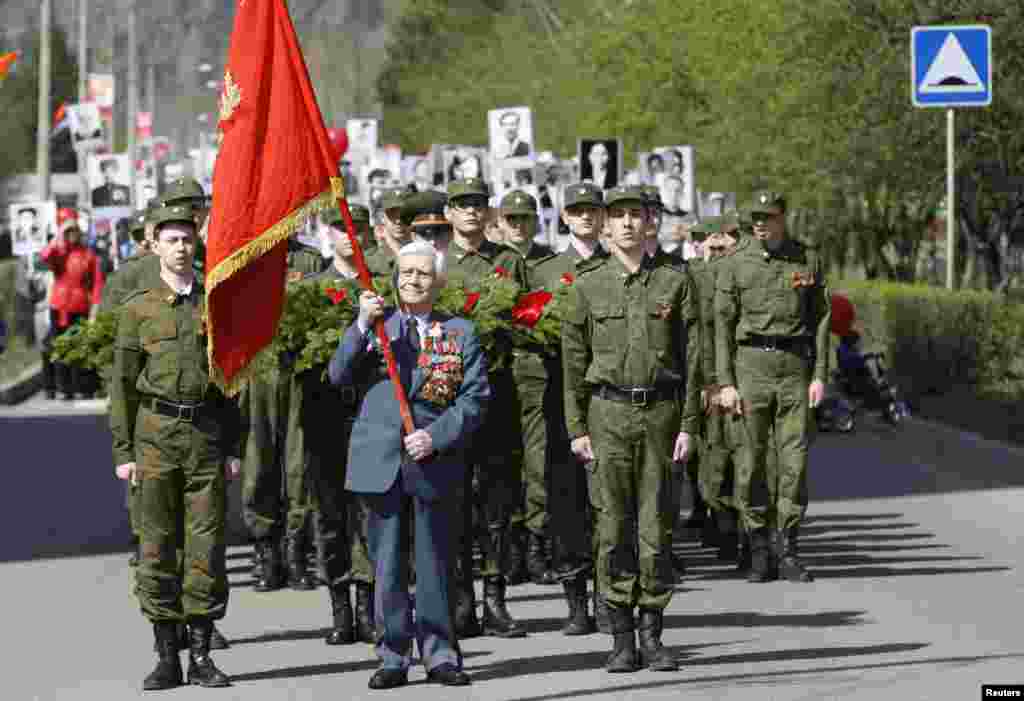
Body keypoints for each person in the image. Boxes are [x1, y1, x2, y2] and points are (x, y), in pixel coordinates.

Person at [329, 240, 488, 690]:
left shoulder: (459, 332)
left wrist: (434, 436)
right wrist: (362, 323)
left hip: (432, 460)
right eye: (405, 272)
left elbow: (475, 399)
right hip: (379, 458)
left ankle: (440, 654)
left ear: (437, 281)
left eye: (422, 273)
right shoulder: (377, 327)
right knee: (387, 565)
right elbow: (337, 374)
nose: (413, 280)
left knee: (436, 561)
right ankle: (393, 654)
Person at [562, 184, 700, 673]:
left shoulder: (675, 283)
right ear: (603, 223)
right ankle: (621, 637)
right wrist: (577, 427)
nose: (625, 224)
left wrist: (689, 424)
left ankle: (654, 633)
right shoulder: (586, 284)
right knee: (612, 527)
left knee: (657, 526)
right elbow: (572, 364)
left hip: (662, 415)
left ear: (649, 223)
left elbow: (693, 359)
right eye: (616, 215)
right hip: (607, 416)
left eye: (634, 215)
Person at [108, 202, 241, 690]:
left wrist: (232, 445)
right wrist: (123, 452)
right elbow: (121, 386)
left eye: (187, 238)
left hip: (205, 436)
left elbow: (231, 379)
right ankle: (167, 654)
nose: (181, 247)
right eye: (172, 239)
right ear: (154, 245)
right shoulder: (138, 308)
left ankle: (202, 654)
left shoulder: (215, 300)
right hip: (155, 438)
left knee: (207, 546)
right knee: (157, 544)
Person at [715, 191, 830, 584]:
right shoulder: (734, 263)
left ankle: (788, 549)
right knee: (749, 465)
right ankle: (759, 548)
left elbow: (821, 320)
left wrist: (820, 375)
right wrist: (725, 383)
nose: (761, 223)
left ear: (784, 217)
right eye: (756, 217)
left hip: (794, 368)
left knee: (793, 465)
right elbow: (722, 327)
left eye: (769, 216)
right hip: (750, 367)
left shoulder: (807, 259)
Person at [443, 176, 528, 639]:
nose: (471, 212)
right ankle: (461, 603)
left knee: (498, 504)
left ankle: (496, 600)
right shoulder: (437, 265)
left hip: (498, 393)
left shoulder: (509, 264)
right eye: (462, 204)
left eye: (478, 204)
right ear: (450, 213)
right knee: (455, 503)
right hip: (451, 397)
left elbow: (528, 318)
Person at [298, 204, 377, 645]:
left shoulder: (379, 289)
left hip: (369, 413)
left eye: (358, 229)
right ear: (329, 234)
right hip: (324, 415)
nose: (350, 236)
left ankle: (367, 604)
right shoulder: (311, 290)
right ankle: (340, 605)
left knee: (367, 512)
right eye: (342, 228)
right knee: (329, 514)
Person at [40, 211, 105, 400]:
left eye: (74, 229)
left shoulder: (88, 255)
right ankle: (64, 388)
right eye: (68, 231)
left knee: (80, 348)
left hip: (80, 307)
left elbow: (97, 285)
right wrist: (58, 235)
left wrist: (94, 309)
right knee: (60, 348)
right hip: (59, 306)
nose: (72, 234)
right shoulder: (59, 252)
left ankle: (84, 387)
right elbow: (44, 256)